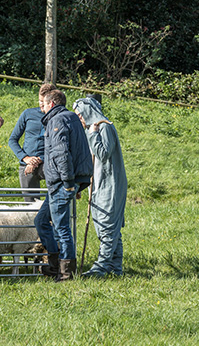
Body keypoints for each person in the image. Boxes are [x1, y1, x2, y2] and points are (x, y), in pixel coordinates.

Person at [34, 89, 93, 281]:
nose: (41, 107)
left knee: (62, 228)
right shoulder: (72, 118)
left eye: (43, 103)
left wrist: (68, 183)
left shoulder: (57, 120)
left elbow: (61, 153)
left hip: (61, 182)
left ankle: (66, 272)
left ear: (52, 104)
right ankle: (54, 264)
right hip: (63, 181)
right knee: (42, 220)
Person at [73, 97, 127, 277]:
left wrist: (93, 134)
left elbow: (103, 154)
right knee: (110, 228)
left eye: (80, 114)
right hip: (98, 184)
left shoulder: (104, 127)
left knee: (107, 225)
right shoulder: (92, 129)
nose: (79, 118)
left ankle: (101, 267)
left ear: (88, 112)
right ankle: (115, 268)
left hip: (109, 185)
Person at [9, 83, 56, 202]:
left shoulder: (58, 117)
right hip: (27, 164)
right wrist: (26, 158)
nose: (41, 104)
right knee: (30, 206)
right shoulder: (28, 114)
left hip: (48, 163)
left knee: (55, 195)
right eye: (39, 100)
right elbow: (12, 140)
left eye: (44, 101)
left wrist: (41, 159)